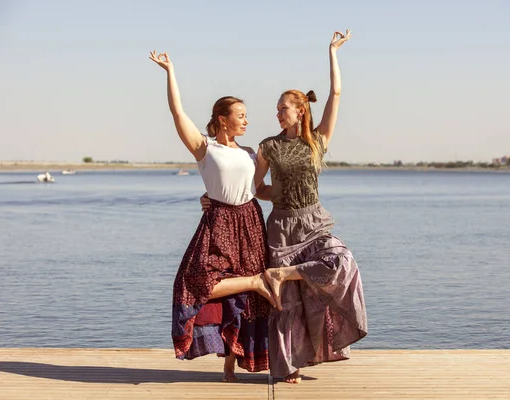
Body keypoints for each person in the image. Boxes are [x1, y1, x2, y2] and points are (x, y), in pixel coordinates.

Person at [201, 29, 367, 384]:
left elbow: (336, 93)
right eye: (276, 109)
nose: (277, 113)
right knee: (285, 303)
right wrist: (213, 199)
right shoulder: (267, 147)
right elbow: (251, 187)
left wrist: (332, 51)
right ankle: (288, 365)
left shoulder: (317, 139)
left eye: (283, 108)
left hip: (315, 222)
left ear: (300, 111)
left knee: (341, 261)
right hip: (280, 226)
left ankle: (283, 276)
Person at [149, 50, 275, 382]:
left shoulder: (250, 152)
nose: (247, 120)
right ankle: (255, 283)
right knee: (194, 283)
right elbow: (178, 112)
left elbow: (258, 187)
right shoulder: (205, 148)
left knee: (244, 301)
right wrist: (170, 70)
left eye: (247, 115)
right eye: (241, 115)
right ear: (222, 119)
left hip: (249, 221)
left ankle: (230, 365)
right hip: (218, 222)